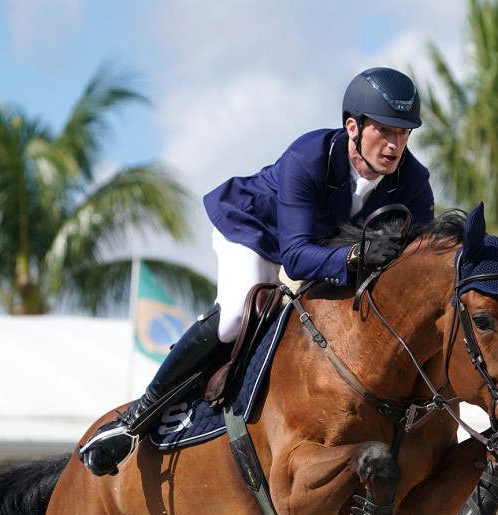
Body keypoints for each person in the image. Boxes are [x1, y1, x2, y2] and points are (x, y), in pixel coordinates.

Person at [79, 67, 435, 476]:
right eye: (385, 131)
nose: (395, 145)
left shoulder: (413, 181)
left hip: (321, 254)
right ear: (352, 127)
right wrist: (355, 256)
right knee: (235, 314)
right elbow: (298, 258)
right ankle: (134, 421)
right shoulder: (310, 157)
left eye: (404, 133)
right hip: (253, 231)